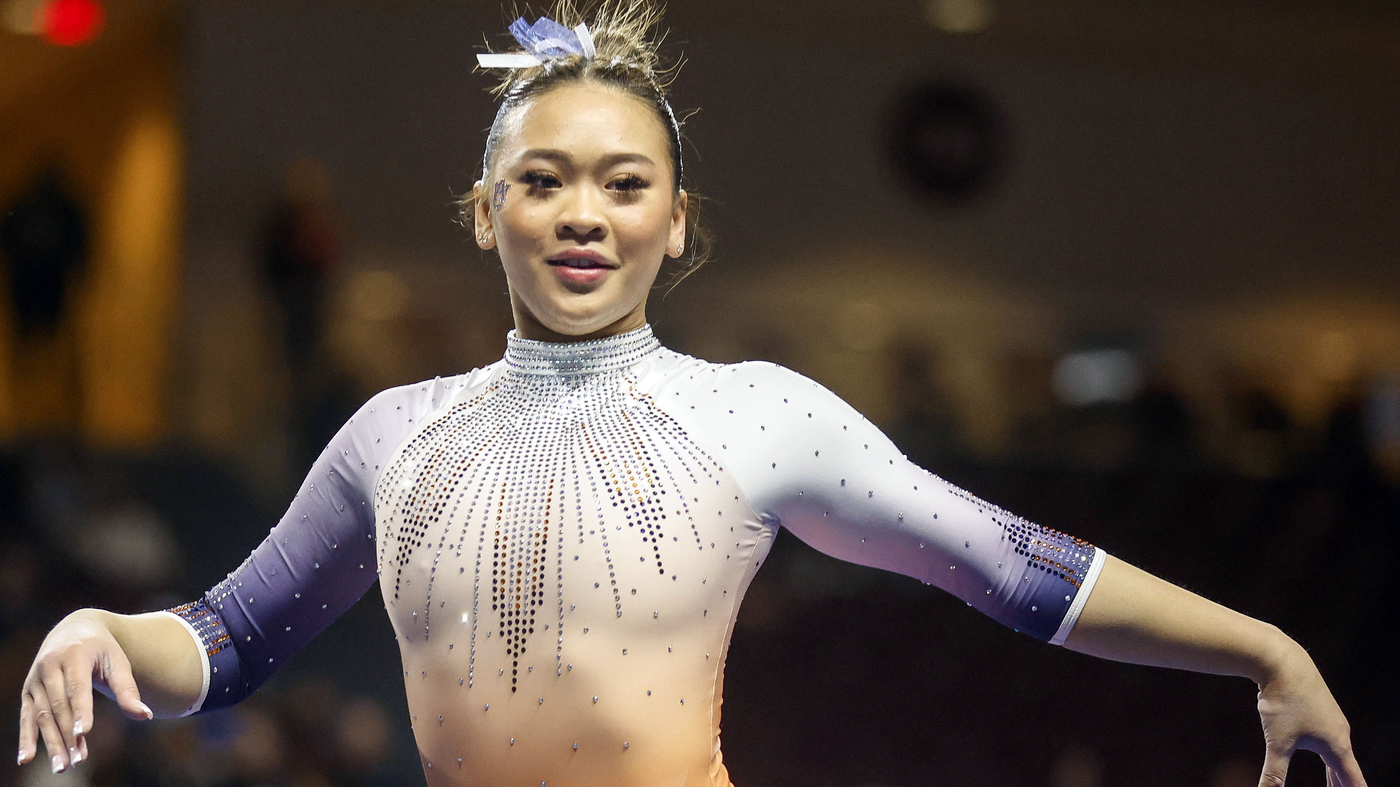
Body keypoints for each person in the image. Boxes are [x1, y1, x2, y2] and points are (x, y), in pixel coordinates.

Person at [17, 3, 1367, 786]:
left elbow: (1017, 568)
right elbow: (228, 643)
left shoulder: (756, 416)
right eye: (543, 180)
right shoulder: (394, 435)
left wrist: (1268, 650)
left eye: (625, 184)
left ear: (676, 222)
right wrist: (107, 630)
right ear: (485, 213)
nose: (583, 214)